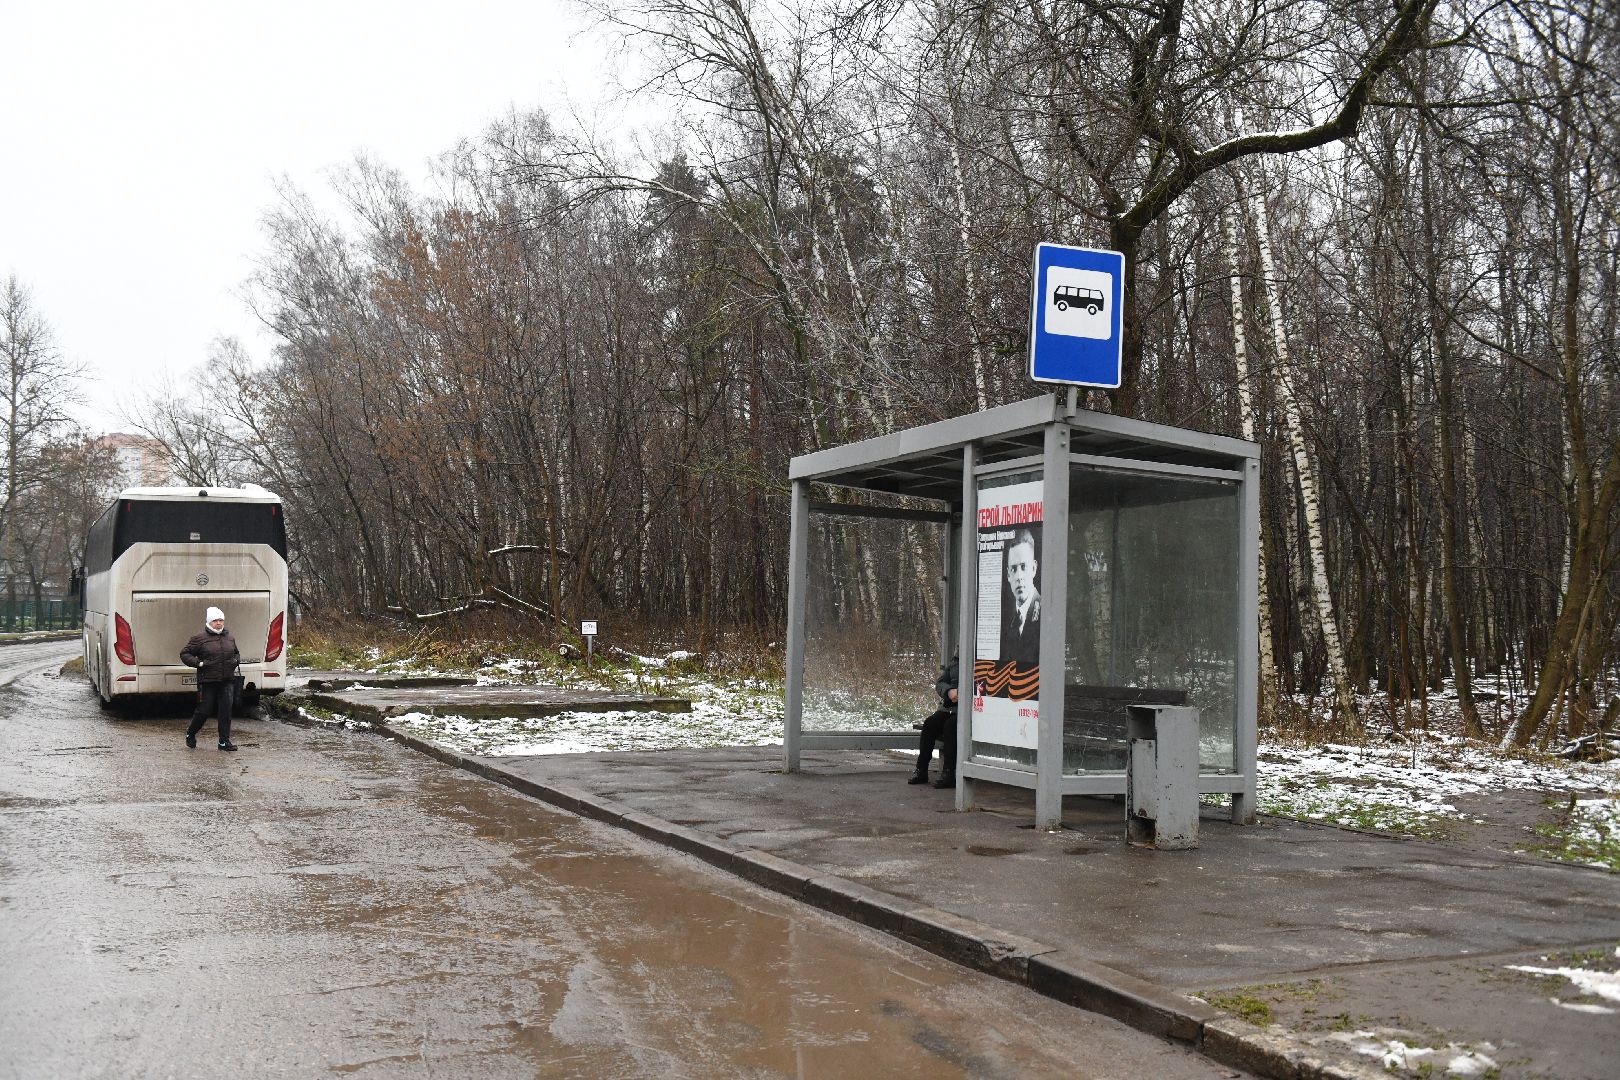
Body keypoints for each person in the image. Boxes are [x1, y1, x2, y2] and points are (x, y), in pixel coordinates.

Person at [181, 606, 240, 751]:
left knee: (226, 711)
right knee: (204, 711)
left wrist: (235, 661)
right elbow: (185, 654)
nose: (219, 623)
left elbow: (236, 653)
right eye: (215, 620)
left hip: (227, 680)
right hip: (207, 680)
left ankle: (223, 742)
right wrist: (199, 663)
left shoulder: (229, 637)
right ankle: (191, 733)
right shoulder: (199, 639)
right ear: (209, 622)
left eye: (221, 620)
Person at [908, 654, 959, 788]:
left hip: (968, 711)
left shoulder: (982, 660)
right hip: (948, 707)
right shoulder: (955, 662)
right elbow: (940, 682)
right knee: (930, 723)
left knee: (950, 726)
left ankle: (949, 773)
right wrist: (948, 692)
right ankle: (921, 770)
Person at [1000, 529, 1041, 669]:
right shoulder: (1010, 622)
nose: (1019, 576)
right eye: (1014, 569)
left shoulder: (1044, 614)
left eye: (1024, 567)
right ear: (1008, 575)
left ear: (1034, 568)